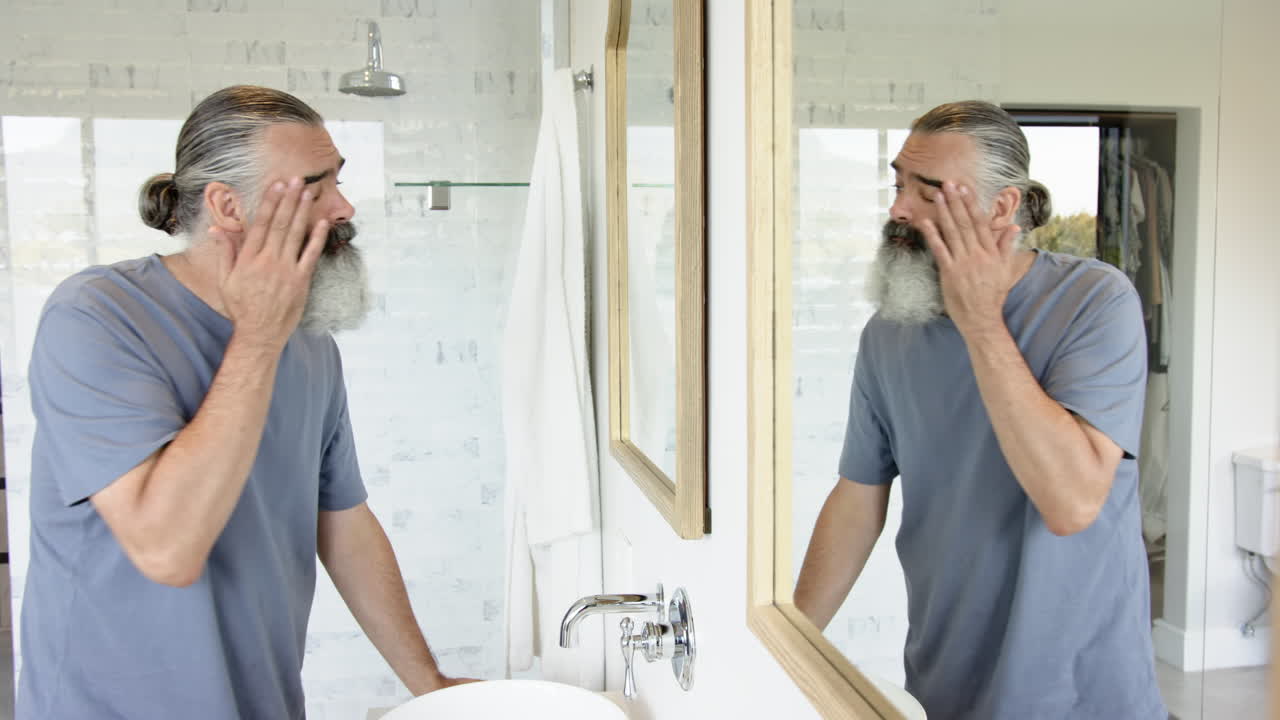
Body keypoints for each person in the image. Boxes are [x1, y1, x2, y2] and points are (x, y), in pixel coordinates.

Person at [18, 85, 473, 719]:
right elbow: (166, 550)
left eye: (338, 179)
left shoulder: (310, 344)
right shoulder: (95, 317)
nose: (343, 207)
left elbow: (341, 523)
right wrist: (257, 337)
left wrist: (431, 686)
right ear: (228, 206)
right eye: (313, 187)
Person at [793, 101, 1164, 719]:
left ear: (1001, 208)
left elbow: (1071, 503)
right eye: (899, 183)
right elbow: (858, 500)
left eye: (929, 191)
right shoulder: (888, 334)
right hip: (943, 687)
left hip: (1083, 694)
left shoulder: (1096, 302)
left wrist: (980, 321)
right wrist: (789, 642)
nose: (899, 209)